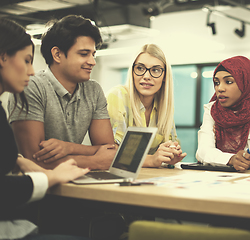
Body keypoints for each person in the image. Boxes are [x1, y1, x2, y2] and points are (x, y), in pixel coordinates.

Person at [0, 17, 90, 240]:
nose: (31, 71)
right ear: (3, 57)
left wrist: (18, 160)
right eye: (27, 60)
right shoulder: (34, 90)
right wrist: (51, 177)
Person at [8, 15, 116, 170]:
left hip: (76, 181)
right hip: (35, 187)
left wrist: (69, 148)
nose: (92, 62)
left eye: (93, 54)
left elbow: (109, 150)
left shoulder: (93, 90)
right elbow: (33, 159)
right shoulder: (32, 86)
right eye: (84, 54)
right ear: (57, 54)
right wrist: (95, 161)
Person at [106, 43, 186, 168]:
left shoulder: (164, 107)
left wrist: (170, 154)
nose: (147, 76)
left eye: (155, 70)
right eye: (140, 68)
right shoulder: (118, 96)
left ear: (164, 76)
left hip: (150, 179)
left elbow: (169, 147)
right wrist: (151, 160)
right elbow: (111, 153)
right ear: (132, 71)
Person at [196, 56, 250, 171]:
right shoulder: (212, 109)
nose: (220, 88)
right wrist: (231, 160)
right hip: (220, 179)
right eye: (217, 82)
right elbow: (202, 152)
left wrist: (217, 158)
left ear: (244, 82)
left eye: (228, 82)